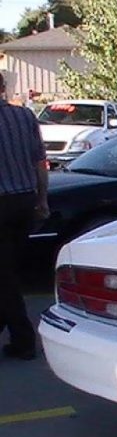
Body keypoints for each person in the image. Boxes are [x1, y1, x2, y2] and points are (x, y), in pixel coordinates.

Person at [0, 72, 49, 361]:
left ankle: (24, 339)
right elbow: (40, 162)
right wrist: (42, 199)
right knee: (7, 270)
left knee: (4, 275)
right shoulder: (25, 117)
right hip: (24, 200)